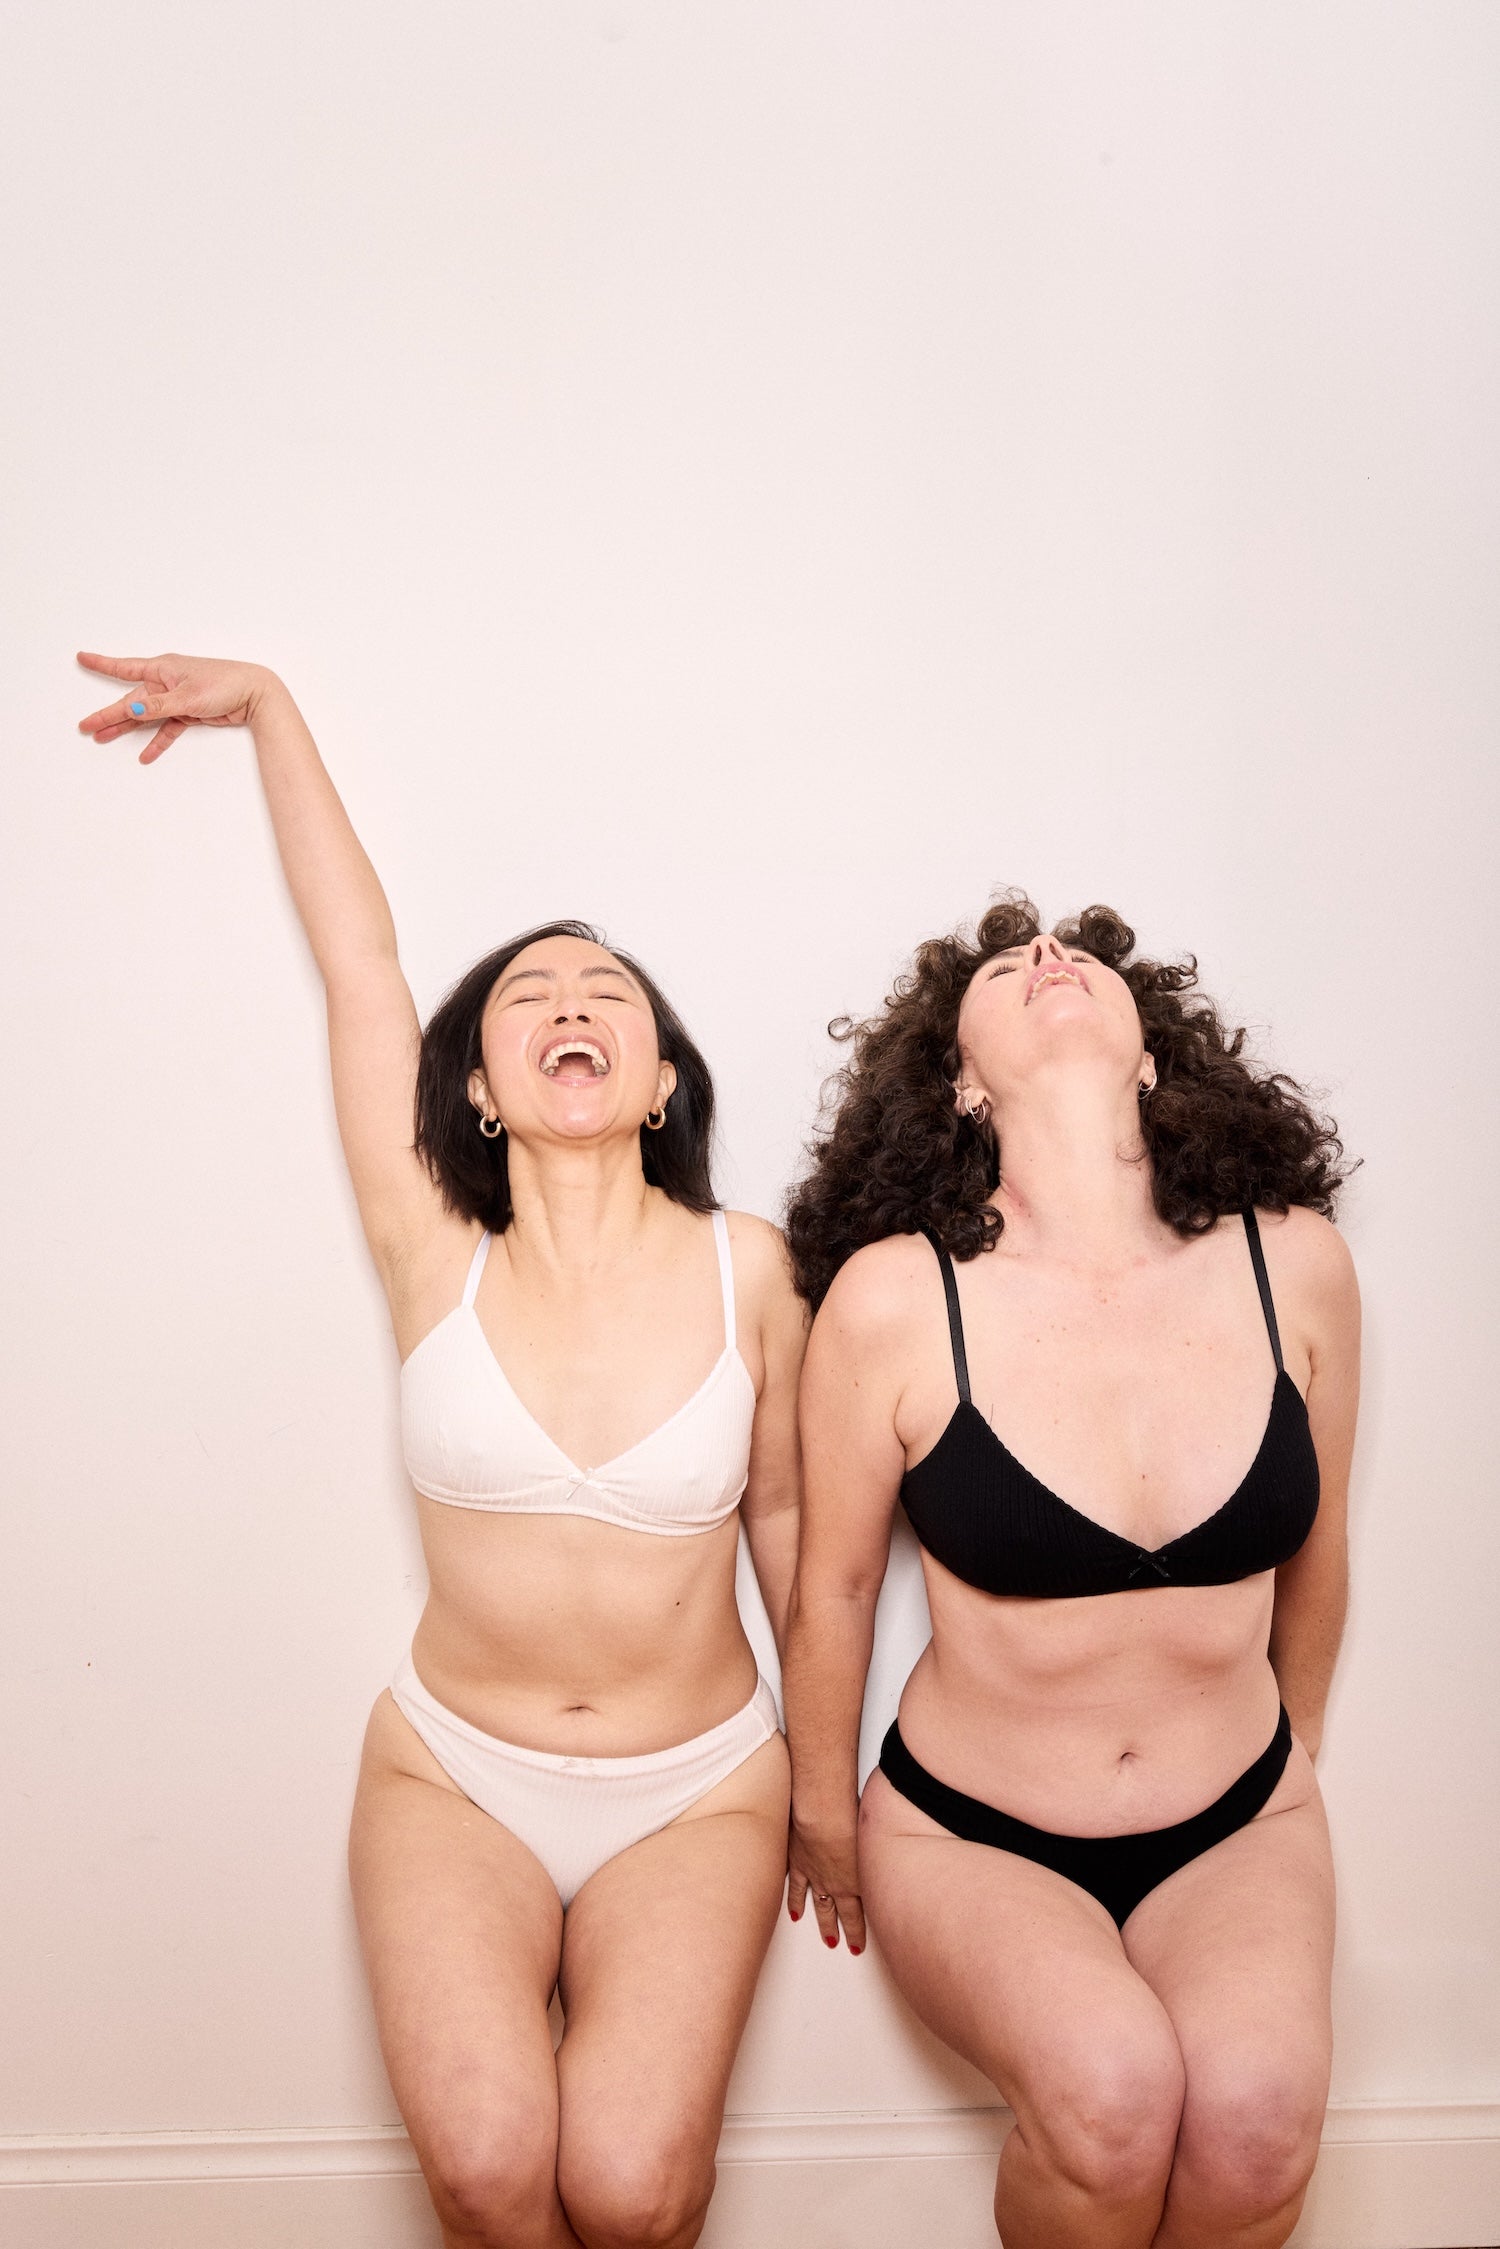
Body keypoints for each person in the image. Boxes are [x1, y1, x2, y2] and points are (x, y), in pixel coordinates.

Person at [76, 651, 805, 2249]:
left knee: (633, 2185)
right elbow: (361, 963)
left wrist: (826, 1783)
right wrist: (269, 706)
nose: (567, 1003)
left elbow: (802, 1536)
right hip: (454, 1772)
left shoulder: (751, 1266)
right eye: (528, 996)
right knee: (485, 2167)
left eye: (606, 993)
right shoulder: (432, 1247)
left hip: (700, 1786)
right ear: (475, 1086)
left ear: (661, 1076)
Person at [781, 893, 1359, 2249]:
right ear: (961, 1080)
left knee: (1261, 2122)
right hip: (973, 1835)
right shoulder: (892, 1299)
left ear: (1155, 1054)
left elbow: (1324, 1560)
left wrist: (1295, 1769)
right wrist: (819, 1807)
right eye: (1007, 961)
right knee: (1110, 2097)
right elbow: (837, 1590)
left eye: (1081, 953)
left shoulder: (1299, 1267)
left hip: (1239, 1822)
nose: (1049, 957)